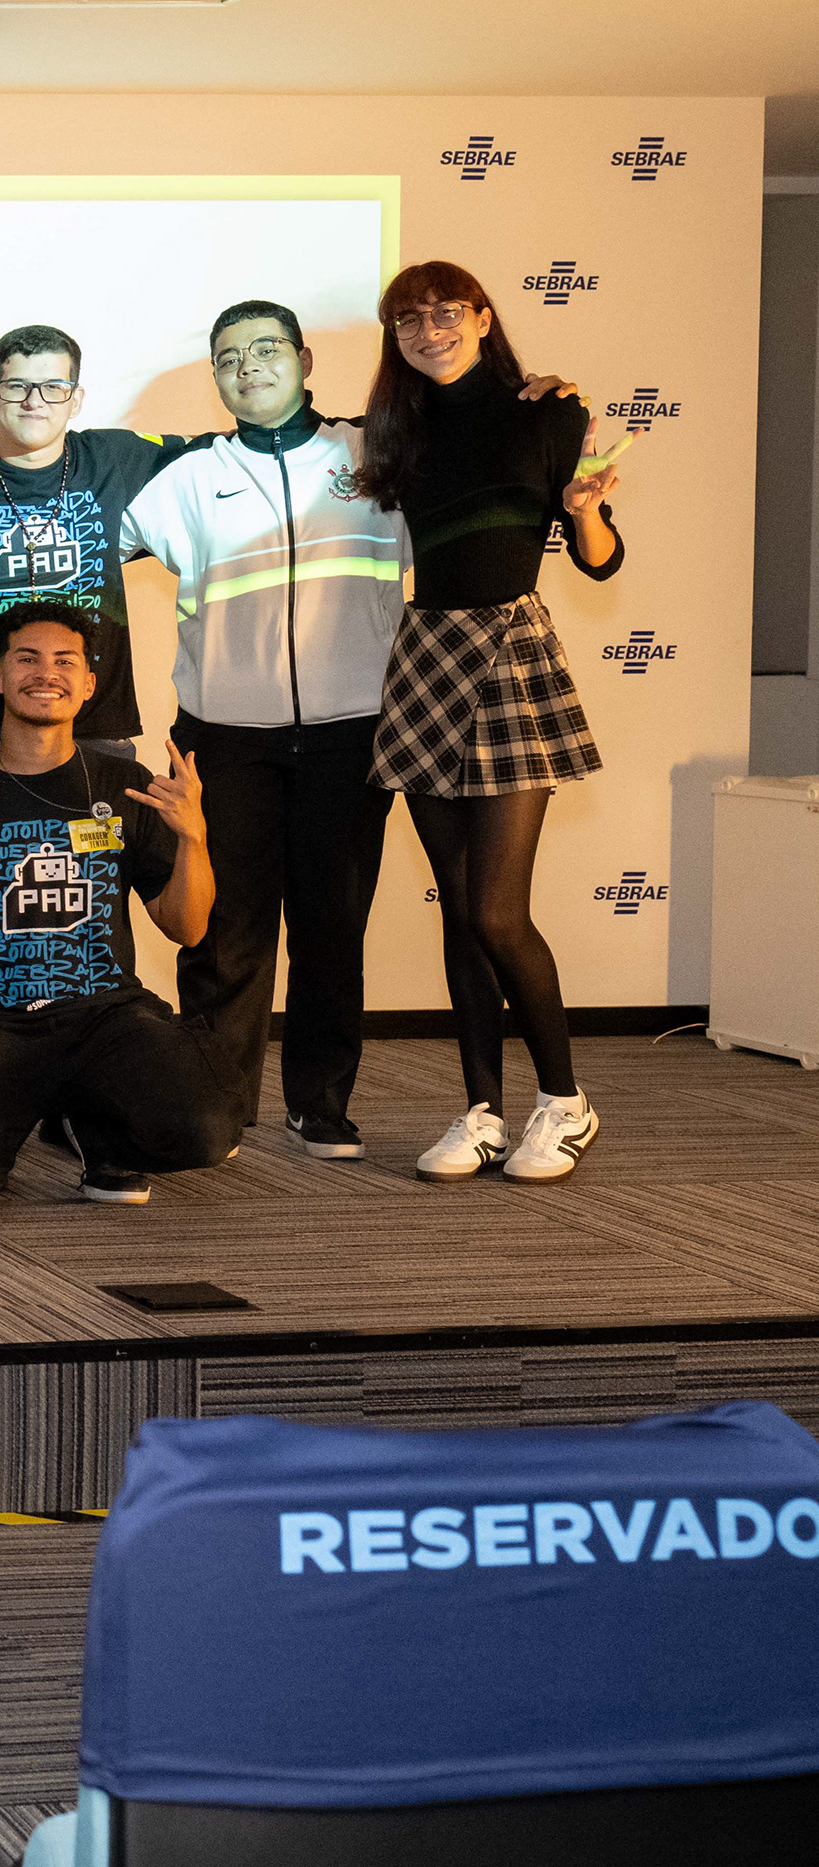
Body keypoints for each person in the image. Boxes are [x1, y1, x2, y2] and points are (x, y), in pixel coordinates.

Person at [359, 261, 629, 1184]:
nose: (428, 330)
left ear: (482, 318)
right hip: (426, 653)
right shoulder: (397, 427)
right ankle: (481, 1111)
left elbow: (602, 560)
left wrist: (584, 514)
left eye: (446, 312)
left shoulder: (550, 411)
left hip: (511, 649)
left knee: (495, 910)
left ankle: (565, 1101)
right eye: (408, 319)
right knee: (459, 910)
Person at [119, 301, 407, 1160]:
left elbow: (477, 451)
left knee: (332, 927)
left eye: (265, 349)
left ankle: (321, 1104)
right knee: (226, 931)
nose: (247, 367)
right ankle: (219, 1104)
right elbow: (74, 515)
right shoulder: (187, 477)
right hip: (224, 737)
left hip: (351, 731)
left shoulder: (375, 455)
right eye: (228, 358)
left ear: (306, 361)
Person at [0, 604, 238, 1228]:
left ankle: (94, 1128)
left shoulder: (126, 786)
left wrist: (193, 837)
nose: (46, 673)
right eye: (27, 658)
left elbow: (188, 928)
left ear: (89, 683)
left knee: (206, 1129)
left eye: (64, 661)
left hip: (106, 1018)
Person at [0, 327, 172, 769]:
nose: (35, 401)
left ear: (76, 399)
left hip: (93, 726)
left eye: (54, 387)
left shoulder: (112, 456)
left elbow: (225, 447)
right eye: (17, 386)